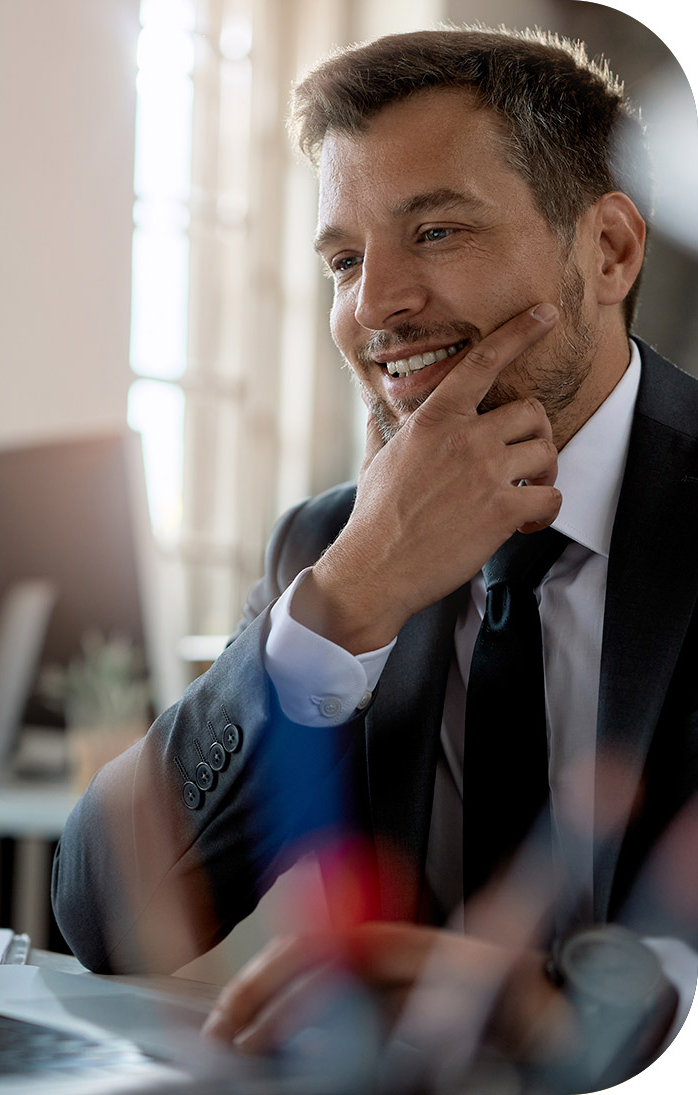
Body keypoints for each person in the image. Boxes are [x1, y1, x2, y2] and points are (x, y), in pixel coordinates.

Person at [52, 26, 698, 1091]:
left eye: (437, 232)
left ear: (611, 252)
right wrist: (347, 600)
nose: (373, 308)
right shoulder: (332, 544)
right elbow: (106, 918)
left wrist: (544, 1008)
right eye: (346, 260)